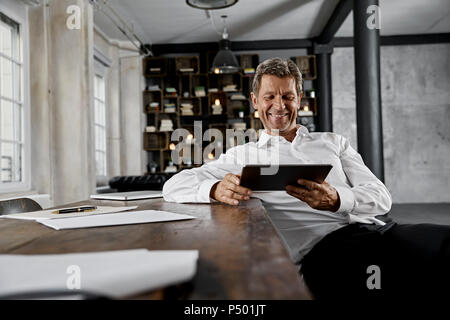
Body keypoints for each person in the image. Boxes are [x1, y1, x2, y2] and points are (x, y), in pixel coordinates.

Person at [163, 58, 449, 299]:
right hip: (326, 253)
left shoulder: (333, 142)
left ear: (299, 99)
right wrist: (214, 189)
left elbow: (380, 196)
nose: (279, 105)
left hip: (384, 232)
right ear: (254, 102)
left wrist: (338, 199)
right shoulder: (241, 155)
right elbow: (173, 185)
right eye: (269, 97)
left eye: (287, 96)